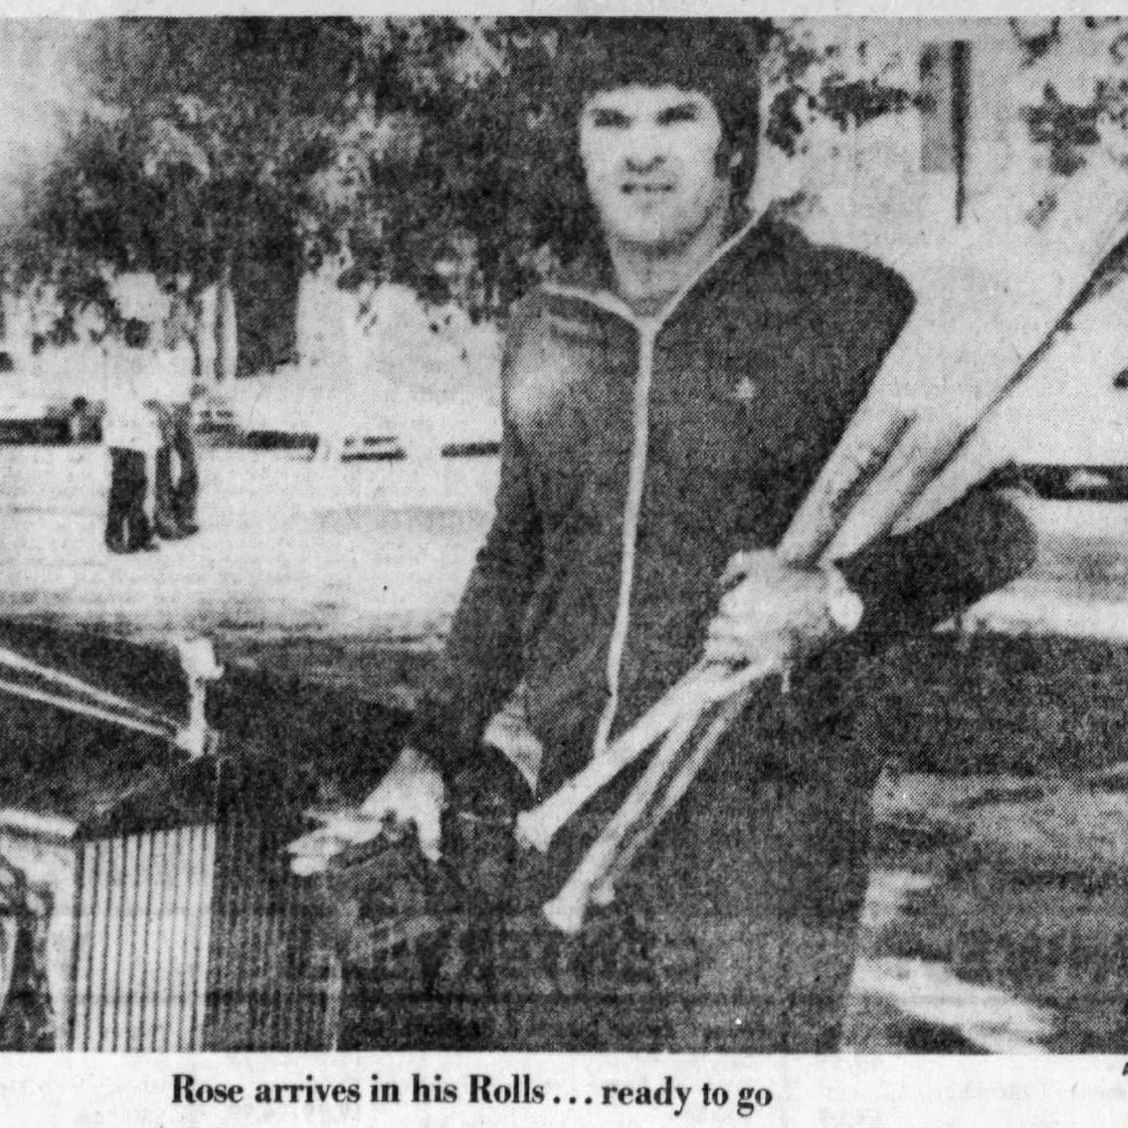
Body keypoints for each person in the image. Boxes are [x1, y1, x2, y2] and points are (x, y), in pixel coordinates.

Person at [301, 20, 1034, 1052]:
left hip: (766, 840)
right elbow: (514, 561)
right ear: (578, 144)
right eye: (611, 121)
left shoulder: (841, 303)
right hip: (567, 810)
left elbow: (1001, 527)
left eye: (675, 117)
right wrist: (429, 750)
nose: (641, 150)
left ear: (730, 139)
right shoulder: (544, 327)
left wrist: (830, 599)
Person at [102, 319, 162, 554]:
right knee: (134, 485)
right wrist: (164, 411)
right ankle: (124, 536)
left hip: (118, 432)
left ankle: (130, 535)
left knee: (124, 484)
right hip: (133, 434)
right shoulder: (141, 360)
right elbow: (148, 395)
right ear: (142, 337)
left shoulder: (117, 359)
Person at [151, 339, 200, 539]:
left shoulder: (186, 346)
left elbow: (186, 377)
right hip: (163, 409)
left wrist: (193, 391)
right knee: (164, 465)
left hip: (183, 407)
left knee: (190, 462)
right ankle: (164, 518)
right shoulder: (155, 346)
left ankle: (184, 514)